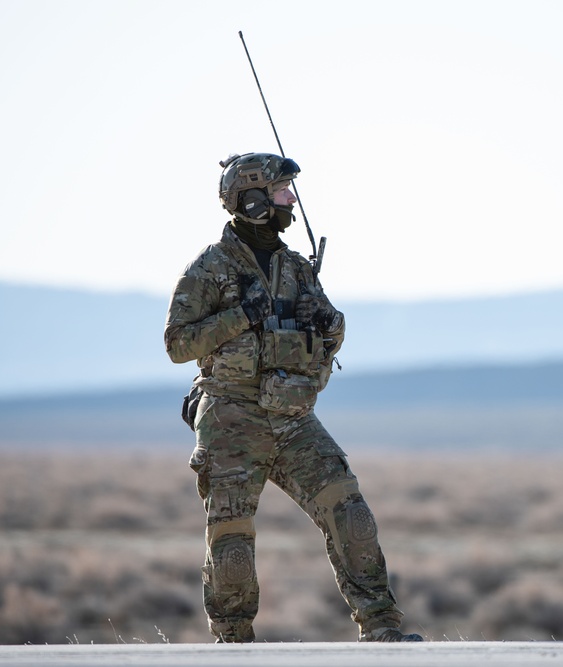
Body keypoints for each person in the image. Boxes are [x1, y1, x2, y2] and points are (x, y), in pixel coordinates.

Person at [164, 152, 422, 643]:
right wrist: (242, 315)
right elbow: (178, 345)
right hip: (231, 418)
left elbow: (332, 333)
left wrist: (327, 322)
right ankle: (234, 642)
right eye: (284, 193)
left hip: (292, 417)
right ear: (253, 199)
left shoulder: (296, 268)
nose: (292, 203)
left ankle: (383, 629)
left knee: (351, 513)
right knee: (231, 538)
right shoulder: (208, 268)